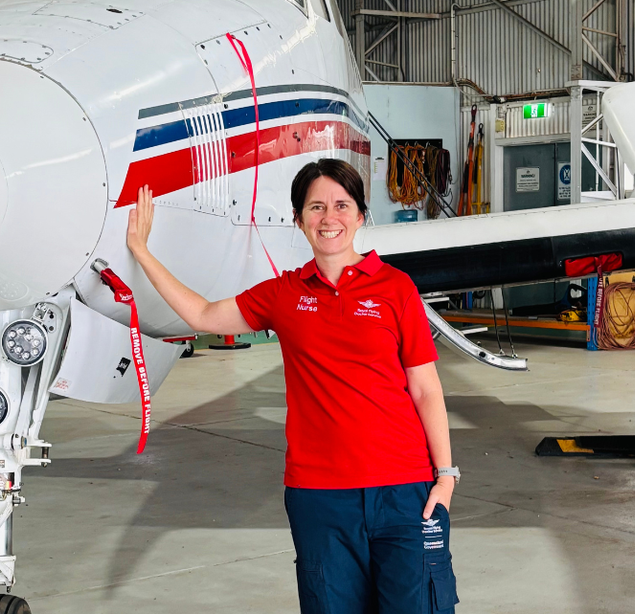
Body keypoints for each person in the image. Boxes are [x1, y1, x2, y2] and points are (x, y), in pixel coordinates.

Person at [126, 158, 459, 614]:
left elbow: (425, 389)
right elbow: (203, 316)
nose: (329, 218)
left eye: (342, 205)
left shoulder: (396, 289)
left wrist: (445, 475)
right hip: (319, 496)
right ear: (299, 220)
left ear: (360, 215)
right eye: (316, 207)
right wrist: (141, 251)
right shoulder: (284, 295)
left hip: (404, 491)